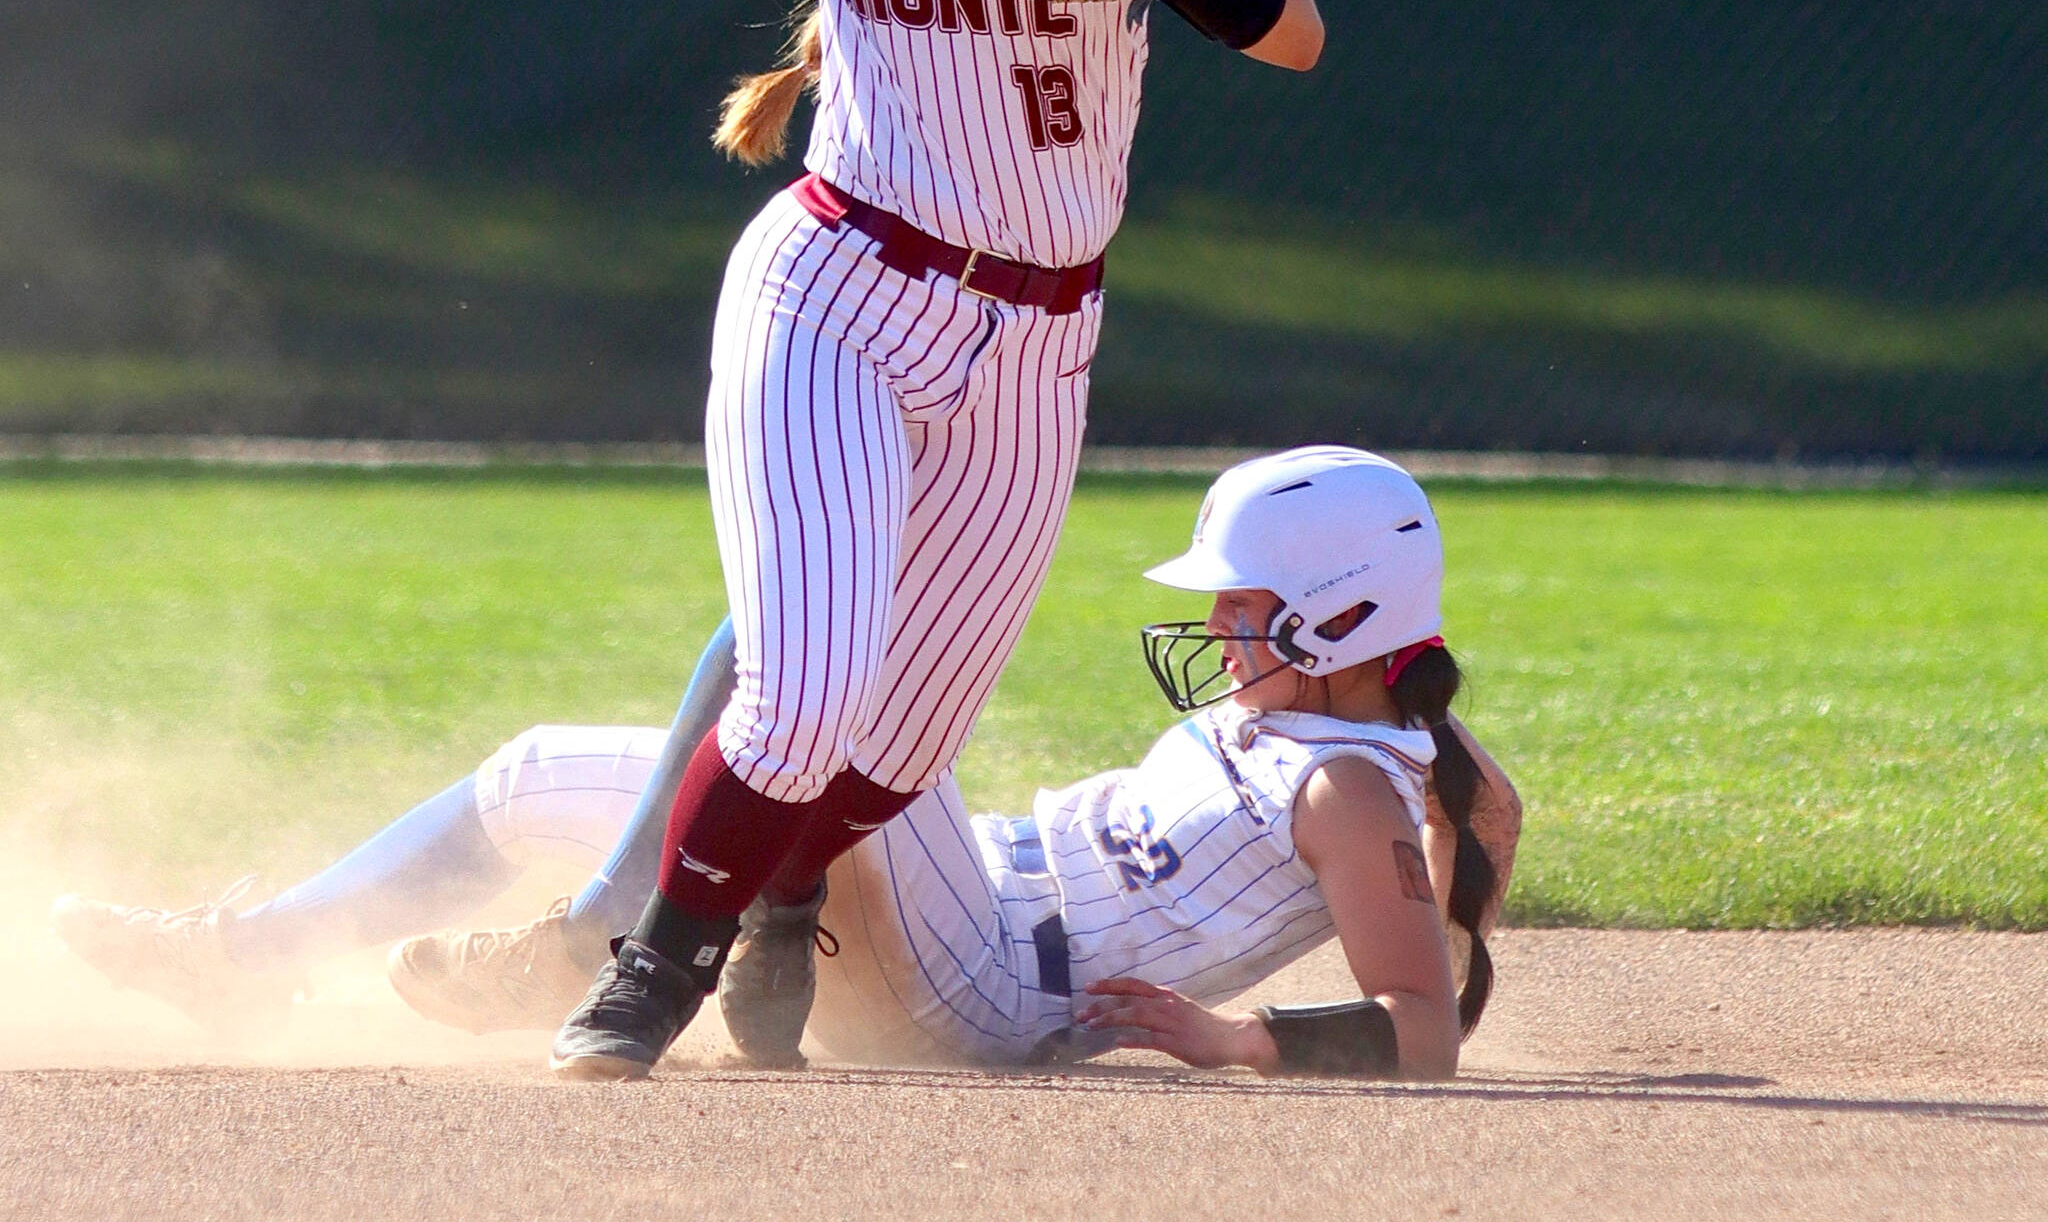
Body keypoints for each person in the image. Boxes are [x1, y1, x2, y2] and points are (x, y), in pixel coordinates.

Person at [536, 0, 1321, 1078]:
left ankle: (785, 892)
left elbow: (1292, 28)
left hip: (1039, 337)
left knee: (896, 753)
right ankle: (655, 968)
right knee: (805, 690)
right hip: (844, 284)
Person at [53, 449, 1520, 1079]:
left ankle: (606, 943)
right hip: (954, 908)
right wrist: (1471, 818)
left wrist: (1242, 1041)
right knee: (535, 770)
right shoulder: (1337, 742)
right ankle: (252, 953)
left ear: (1345, 619)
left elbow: (1425, 1027)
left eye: (1244, 600)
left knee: (818, 649)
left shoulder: (1343, 788)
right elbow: (1481, 816)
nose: (1212, 618)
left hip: (996, 987)